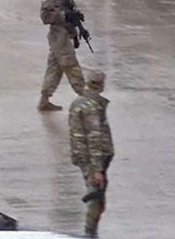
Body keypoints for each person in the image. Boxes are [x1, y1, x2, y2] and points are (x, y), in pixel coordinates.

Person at [68, 69, 114, 238]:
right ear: (101, 85)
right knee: (96, 197)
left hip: (83, 156)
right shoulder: (93, 107)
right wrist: (97, 169)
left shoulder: (78, 103)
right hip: (93, 160)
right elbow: (94, 139)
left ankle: (91, 230)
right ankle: (90, 232)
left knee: (97, 194)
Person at [38, 0, 87, 111]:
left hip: (66, 35)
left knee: (54, 69)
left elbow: (72, 14)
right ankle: (85, 97)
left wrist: (77, 32)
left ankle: (44, 100)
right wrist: (64, 16)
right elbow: (45, 17)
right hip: (58, 36)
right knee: (71, 66)